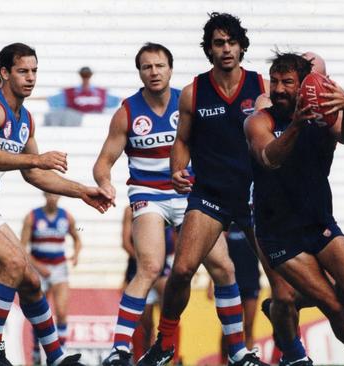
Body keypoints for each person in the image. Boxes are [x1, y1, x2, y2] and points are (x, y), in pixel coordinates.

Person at [0, 42, 113, 366]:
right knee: (13, 264)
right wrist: (37, 158)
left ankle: (55, 357)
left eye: (34, 71)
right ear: (5, 73)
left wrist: (82, 190)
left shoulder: (25, 118)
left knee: (30, 279)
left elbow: (35, 176)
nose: (30, 78)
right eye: (22, 71)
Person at [245, 51, 344, 366]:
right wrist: (297, 124)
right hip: (278, 233)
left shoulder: (326, 115)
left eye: (288, 83)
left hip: (317, 222)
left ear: (305, 87)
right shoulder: (260, 117)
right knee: (333, 305)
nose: (279, 89)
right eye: (275, 82)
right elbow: (270, 158)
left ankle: (282, 306)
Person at [138, 13, 269, 366]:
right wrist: (177, 170)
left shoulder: (262, 86)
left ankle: (289, 353)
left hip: (255, 195)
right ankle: (165, 343)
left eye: (231, 42)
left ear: (242, 46)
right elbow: (181, 142)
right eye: (218, 43)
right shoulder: (194, 91)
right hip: (210, 194)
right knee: (181, 270)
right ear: (209, 50)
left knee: (280, 280)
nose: (226, 49)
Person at [93, 42, 189, 366]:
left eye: (159, 65)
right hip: (149, 195)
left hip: (189, 194)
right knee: (148, 267)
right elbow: (103, 162)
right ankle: (119, 350)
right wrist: (105, 183)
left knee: (221, 267)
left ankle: (237, 351)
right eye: (147, 67)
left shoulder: (187, 103)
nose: (154, 72)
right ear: (140, 72)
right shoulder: (128, 112)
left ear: (170, 68)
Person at [21, 192, 82, 365]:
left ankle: (61, 354)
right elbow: (22, 248)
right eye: (49, 195)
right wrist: (38, 267)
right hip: (38, 267)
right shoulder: (32, 217)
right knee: (39, 314)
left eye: (56, 195)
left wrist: (76, 254)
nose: (53, 198)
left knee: (62, 313)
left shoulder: (66, 217)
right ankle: (35, 350)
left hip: (59, 268)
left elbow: (77, 238)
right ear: (44, 195)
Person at [120, 206, 180, 362]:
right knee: (145, 326)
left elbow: (176, 239)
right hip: (140, 270)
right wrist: (146, 262)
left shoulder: (169, 206)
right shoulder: (130, 210)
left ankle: (174, 359)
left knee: (170, 315)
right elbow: (126, 242)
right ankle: (141, 358)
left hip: (161, 271)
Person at [208, 222, 261, 365]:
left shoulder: (252, 224)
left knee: (249, 326)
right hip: (231, 283)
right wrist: (210, 283)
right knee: (228, 330)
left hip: (252, 281)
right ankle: (223, 362)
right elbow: (216, 257)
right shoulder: (227, 226)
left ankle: (248, 361)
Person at [47, 66, 120, 113]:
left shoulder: (100, 92)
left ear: (90, 76)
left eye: (87, 75)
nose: (85, 78)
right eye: (84, 75)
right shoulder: (71, 92)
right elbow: (51, 99)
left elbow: (117, 100)